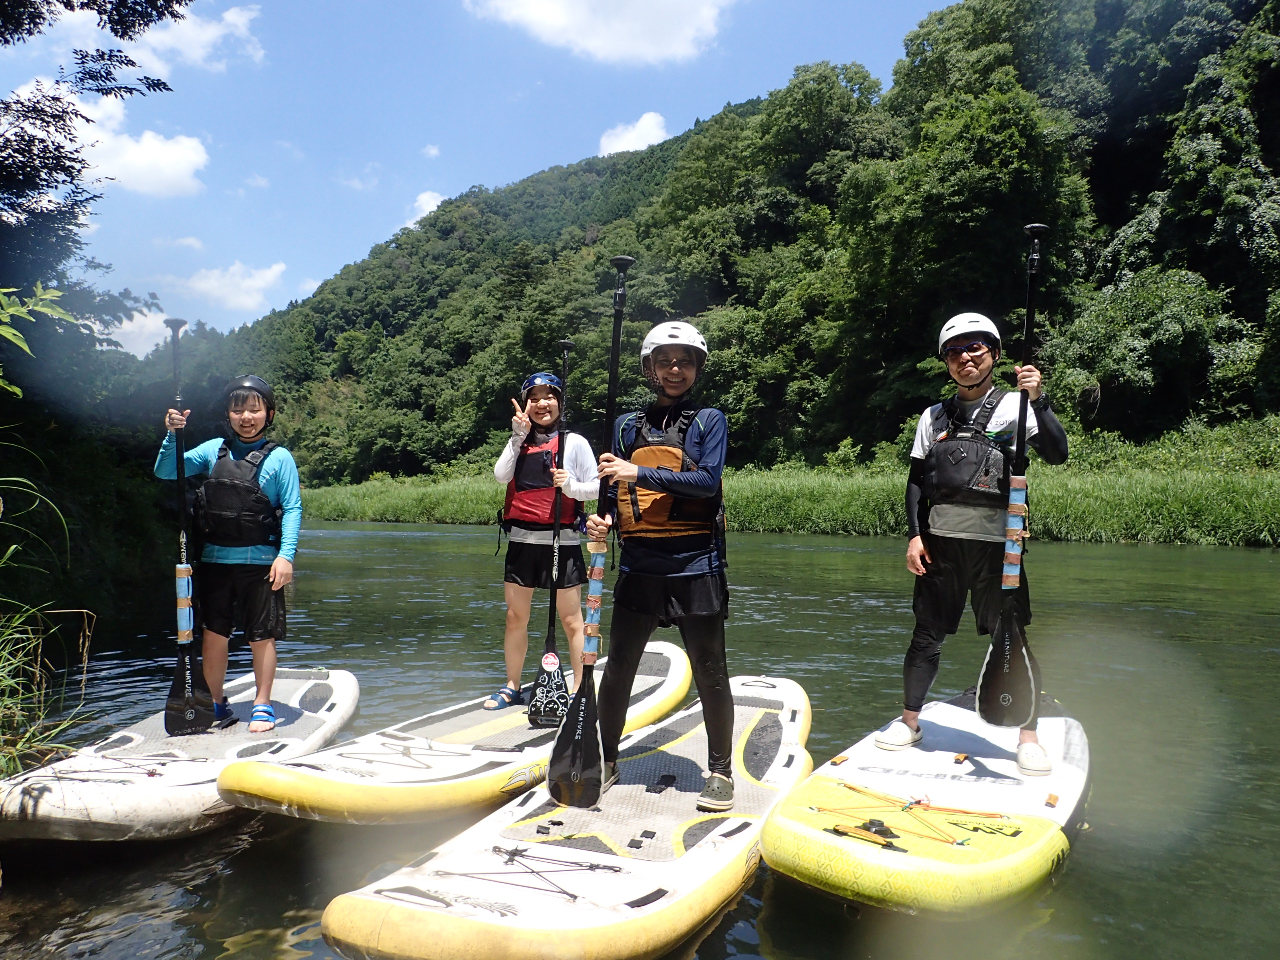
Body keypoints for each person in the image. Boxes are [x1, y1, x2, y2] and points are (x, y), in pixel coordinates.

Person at [876, 313, 1069, 775]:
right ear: (946, 362)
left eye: (975, 349)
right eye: (955, 351)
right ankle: (910, 722)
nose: (966, 358)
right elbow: (917, 483)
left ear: (994, 356)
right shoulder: (933, 416)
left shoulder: (1016, 407)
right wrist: (914, 535)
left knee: (1013, 638)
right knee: (926, 636)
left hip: (997, 550)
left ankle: (1028, 736)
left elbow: (1058, 454)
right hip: (940, 546)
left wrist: (1038, 401)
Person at [587, 320, 735, 812]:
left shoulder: (710, 420)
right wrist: (603, 517)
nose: (676, 369)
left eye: (685, 361)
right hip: (640, 565)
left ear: (697, 368)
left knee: (711, 670)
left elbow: (707, 483)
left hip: (697, 564)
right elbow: (614, 488)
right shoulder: (627, 426)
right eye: (666, 361)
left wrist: (638, 470)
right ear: (650, 368)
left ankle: (719, 772)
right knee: (619, 668)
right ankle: (607, 760)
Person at [155, 376, 301, 733]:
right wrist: (172, 434)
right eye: (238, 409)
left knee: (260, 636)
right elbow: (165, 470)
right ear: (229, 414)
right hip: (216, 564)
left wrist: (286, 556)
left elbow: (293, 508)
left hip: (261, 566)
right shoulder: (212, 450)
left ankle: (262, 704)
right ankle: (215, 702)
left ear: (269, 413)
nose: (246, 416)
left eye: (254, 408)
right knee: (214, 635)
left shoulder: (280, 458)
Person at [487, 372, 597, 710]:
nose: (541, 403)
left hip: (561, 543)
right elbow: (501, 475)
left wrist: (571, 487)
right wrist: (516, 437)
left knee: (571, 619)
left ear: (560, 404)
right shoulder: (519, 441)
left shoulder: (574, 443)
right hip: (522, 542)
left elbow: (596, 488)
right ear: (526, 405)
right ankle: (512, 686)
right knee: (515, 617)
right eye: (534, 398)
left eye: (549, 396)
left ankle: (580, 687)